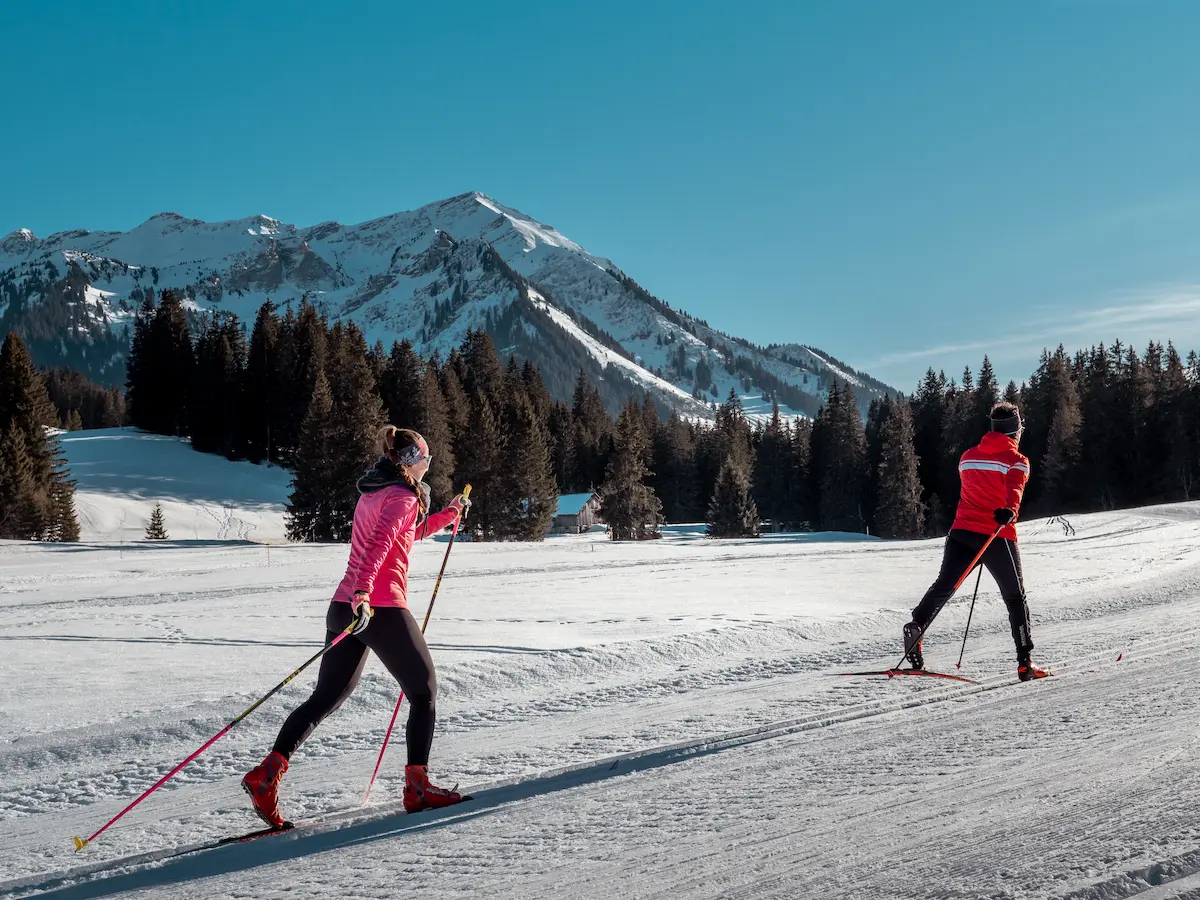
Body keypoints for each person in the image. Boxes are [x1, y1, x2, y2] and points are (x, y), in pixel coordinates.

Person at [242, 426, 471, 827]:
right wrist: (364, 593)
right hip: (376, 605)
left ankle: (266, 777)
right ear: (412, 461)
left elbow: (407, 535)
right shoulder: (401, 496)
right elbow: (381, 544)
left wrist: (448, 514)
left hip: (343, 605)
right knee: (424, 690)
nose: (428, 465)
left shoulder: (375, 492)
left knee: (325, 697)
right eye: (426, 459)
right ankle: (417, 788)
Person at [903, 402, 1050, 681]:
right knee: (1015, 598)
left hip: (961, 533)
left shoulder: (968, 457)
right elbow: (1015, 488)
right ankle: (1025, 663)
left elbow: (977, 486)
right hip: (997, 536)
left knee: (944, 586)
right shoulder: (1018, 460)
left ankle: (916, 624)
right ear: (1015, 431)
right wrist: (1010, 510)